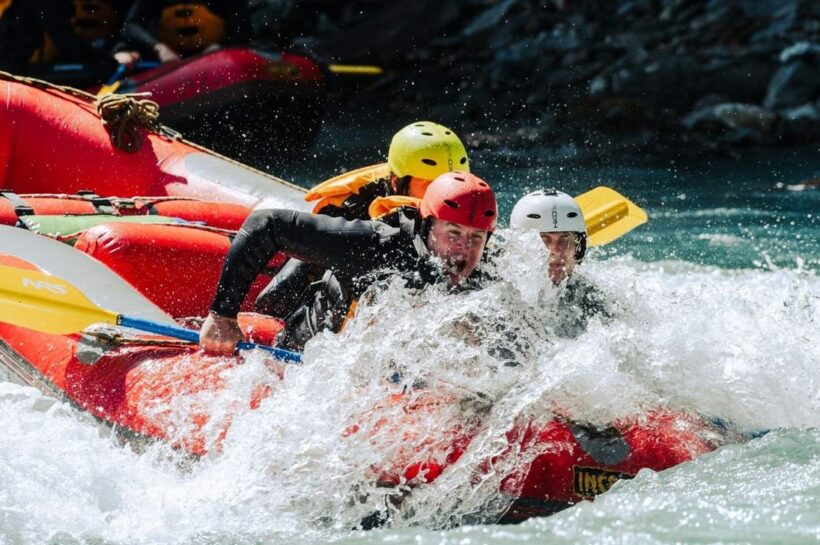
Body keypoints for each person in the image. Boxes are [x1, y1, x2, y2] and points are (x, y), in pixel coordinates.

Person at [200, 171, 497, 355]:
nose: (463, 250)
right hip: (298, 359)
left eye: (476, 238)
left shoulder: (490, 266)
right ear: (426, 225)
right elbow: (267, 224)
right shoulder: (374, 244)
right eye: (453, 233)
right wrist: (222, 315)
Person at [254, 121, 470, 348]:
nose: (442, 198)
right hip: (330, 290)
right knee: (279, 294)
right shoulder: (355, 214)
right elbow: (272, 225)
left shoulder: (468, 232)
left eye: (450, 188)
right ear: (396, 182)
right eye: (428, 186)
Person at [509, 189, 611, 337]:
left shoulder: (593, 300)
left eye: (565, 238)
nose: (555, 250)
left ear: (578, 248)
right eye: (544, 239)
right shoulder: (499, 294)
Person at [113, 0, 250, 66]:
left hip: (220, 60)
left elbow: (242, 31)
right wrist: (159, 48)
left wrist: (221, 47)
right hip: (170, 64)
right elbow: (130, 26)